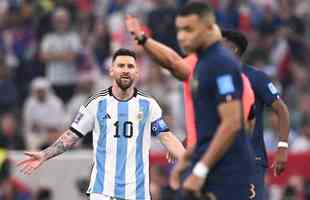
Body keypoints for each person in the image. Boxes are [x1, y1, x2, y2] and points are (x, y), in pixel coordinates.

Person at [17, 48, 186, 200]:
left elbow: (167, 136)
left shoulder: (148, 105)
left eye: (130, 66)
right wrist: (44, 154)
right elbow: (71, 136)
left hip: (137, 193)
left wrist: (189, 161)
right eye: (121, 66)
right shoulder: (96, 104)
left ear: (136, 72)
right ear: (111, 71)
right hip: (103, 191)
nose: (125, 70)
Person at [126, 2, 255, 200]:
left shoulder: (221, 64)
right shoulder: (202, 63)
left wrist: (200, 170)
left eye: (189, 29)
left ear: (207, 28)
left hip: (225, 170)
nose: (181, 36)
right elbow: (173, 62)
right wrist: (187, 160)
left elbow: (231, 124)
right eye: (179, 29)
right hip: (205, 165)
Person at [221, 29, 290, 200]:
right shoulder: (217, 79)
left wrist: (282, 147)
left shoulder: (256, 77)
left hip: (251, 159)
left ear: (233, 49)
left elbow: (282, 110)